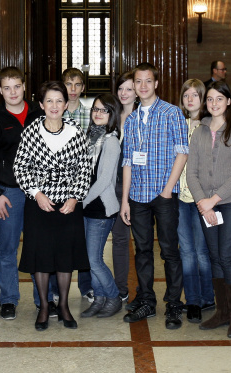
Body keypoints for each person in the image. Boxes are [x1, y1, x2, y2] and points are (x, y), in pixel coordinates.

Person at [14, 81, 91, 330]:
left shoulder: (76, 131)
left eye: (59, 101)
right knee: (41, 257)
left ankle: (65, 306)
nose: (54, 106)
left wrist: (74, 197)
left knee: (65, 257)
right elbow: (20, 167)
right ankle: (45, 308)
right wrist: (36, 193)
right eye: (49, 101)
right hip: (39, 205)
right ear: (41, 104)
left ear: (66, 104)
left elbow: (84, 169)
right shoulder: (31, 132)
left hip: (68, 206)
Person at [120, 63, 188, 329]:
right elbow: (128, 161)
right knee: (143, 251)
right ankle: (147, 300)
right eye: (138, 81)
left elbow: (182, 152)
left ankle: (174, 304)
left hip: (164, 194)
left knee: (170, 251)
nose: (143, 86)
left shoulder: (172, 113)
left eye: (148, 81)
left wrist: (167, 190)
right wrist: (125, 200)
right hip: (138, 195)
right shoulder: (132, 119)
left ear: (156, 83)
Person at [0, 67, 42, 320]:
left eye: (17, 86)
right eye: (7, 88)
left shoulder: (39, 113)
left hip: (38, 192)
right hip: (8, 193)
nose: (13, 92)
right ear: (0, 91)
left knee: (38, 246)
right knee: (7, 248)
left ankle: (44, 298)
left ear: (24, 86)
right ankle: (8, 299)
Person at [186, 81, 231, 338]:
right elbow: (191, 172)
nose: (214, 104)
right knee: (214, 256)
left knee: (227, 256)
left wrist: (213, 200)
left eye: (219, 99)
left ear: (228, 102)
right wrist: (203, 202)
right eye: (210, 99)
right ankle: (222, 312)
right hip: (205, 204)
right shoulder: (199, 131)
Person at [80, 93, 124, 319]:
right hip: (88, 207)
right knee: (92, 258)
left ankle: (113, 297)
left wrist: (82, 200)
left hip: (100, 208)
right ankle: (99, 299)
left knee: (93, 260)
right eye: (95, 109)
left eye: (104, 110)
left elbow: (104, 180)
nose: (98, 113)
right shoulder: (91, 137)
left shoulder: (111, 141)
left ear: (112, 114)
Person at [177, 79, 214, 323]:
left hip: (203, 198)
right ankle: (192, 300)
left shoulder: (210, 125)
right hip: (180, 197)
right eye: (186, 95)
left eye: (195, 95)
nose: (190, 100)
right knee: (187, 251)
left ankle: (207, 296)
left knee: (202, 251)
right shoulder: (178, 123)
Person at [61, 67, 94, 301]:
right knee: (59, 238)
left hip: (83, 184)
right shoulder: (55, 112)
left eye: (77, 84)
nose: (72, 89)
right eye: (68, 84)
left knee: (83, 238)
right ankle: (55, 289)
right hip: (58, 184)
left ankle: (86, 286)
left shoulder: (91, 115)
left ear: (83, 88)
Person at [113, 71, 136, 304]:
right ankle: (119, 288)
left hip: (135, 188)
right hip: (110, 187)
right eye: (121, 88)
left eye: (129, 88)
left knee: (137, 241)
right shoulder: (111, 115)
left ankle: (136, 291)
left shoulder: (141, 118)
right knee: (118, 240)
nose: (124, 93)